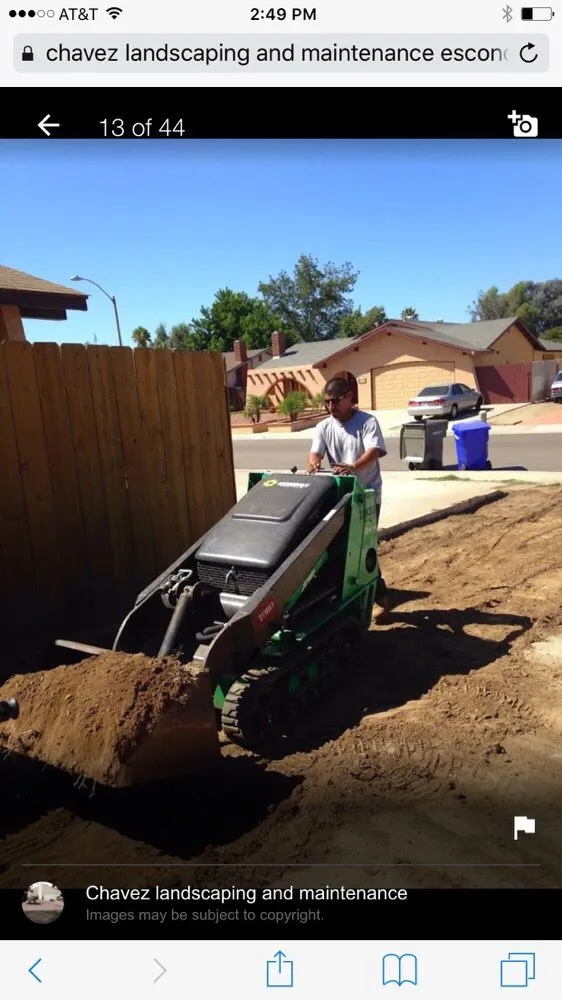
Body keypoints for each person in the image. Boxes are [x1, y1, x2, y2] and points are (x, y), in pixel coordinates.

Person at [307, 377, 391, 621]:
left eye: (335, 401)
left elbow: (373, 452)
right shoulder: (324, 427)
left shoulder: (367, 422)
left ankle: (381, 599)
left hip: (366, 497)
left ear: (349, 397)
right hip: (338, 497)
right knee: (338, 551)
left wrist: (352, 466)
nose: (330, 406)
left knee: (362, 549)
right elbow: (315, 453)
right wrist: (314, 463)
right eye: (326, 402)